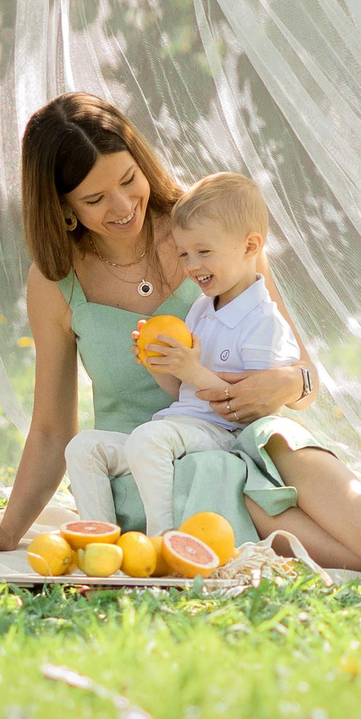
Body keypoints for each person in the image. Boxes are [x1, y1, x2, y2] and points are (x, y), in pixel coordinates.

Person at [0, 92, 361, 586]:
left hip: (238, 435)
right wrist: (8, 531)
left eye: (128, 180)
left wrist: (287, 383)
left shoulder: (209, 228)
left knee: (280, 443)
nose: (123, 206)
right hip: (147, 474)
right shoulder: (56, 282)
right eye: (95, 199)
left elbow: (303, 377)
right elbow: (52, 430)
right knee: (224, 476)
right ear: (63, 208)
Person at [64, 173, 302, 535]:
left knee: (148, 439)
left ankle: (164, 543)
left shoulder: (264, 322)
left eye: (203, 252)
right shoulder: (202, 309)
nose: (191, 266)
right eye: (184, 254)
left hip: (225, 435)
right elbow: (183, 392)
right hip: (180, 426)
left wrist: (191, 370)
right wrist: (160, 365)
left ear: (250, 247)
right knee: (84, 447)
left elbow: (252, 411)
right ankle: (100, 544)